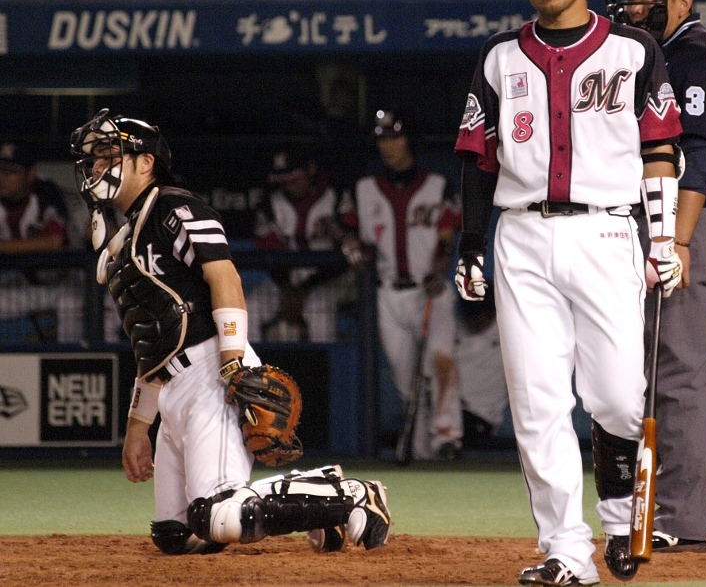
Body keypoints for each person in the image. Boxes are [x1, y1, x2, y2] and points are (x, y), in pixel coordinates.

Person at [454, 0, 684, 585]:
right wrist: (472, 243)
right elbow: (476, 158)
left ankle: (620, 517)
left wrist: (665, 238)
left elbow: (661, 150)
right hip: (521, 236)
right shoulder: (499, 55)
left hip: (608, 231)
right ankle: (565, 551)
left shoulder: (636, 49)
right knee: (537, 404)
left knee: (616, 396)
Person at [69, 109, 390, 555]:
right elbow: (152, 344)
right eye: (95, 160)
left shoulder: (171, 206)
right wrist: (138, 426)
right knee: (177, 536)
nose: (97, 168)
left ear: (144, 162)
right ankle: (321, 495)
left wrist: (233, 361)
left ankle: (351, 496)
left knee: (219, 515)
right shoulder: (128, 236)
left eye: (109, 156)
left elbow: (226, 278)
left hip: (210, 371)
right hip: (173, 388)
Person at [606, 0, 706, 554]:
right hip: (675, 224)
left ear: (681, 2)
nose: (630, 8)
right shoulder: (653, 56)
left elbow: (703, 157)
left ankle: (677, 518)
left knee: (673, 381)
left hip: (689, 222)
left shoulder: (689, 58)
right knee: (676, 377)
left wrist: (676, 240)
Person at [354, 110, 464, 460]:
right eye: (383, 139)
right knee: (405, 378)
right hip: (388, 293)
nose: (389, 145)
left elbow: (447, 236)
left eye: (395, 137)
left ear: (409, 140)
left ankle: (447, 438)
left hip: (429, 289)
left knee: (439, 361)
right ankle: (418, 447)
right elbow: (359, 239)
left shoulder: (437, 184)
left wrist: (439, 267)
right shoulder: (365, 189)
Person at [246, 147, 359, 342]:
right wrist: (286, 288)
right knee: (250, 309)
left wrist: (304, 289)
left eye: (295, 177)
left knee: (319, 309)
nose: (290, 185)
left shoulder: (337, 195)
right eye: (285, 180)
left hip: (333, 278)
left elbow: (350, 251)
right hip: (287, 281)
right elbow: (269, 255)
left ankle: (324, 371)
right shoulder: (269, 205)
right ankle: (251, 372)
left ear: (311, 169)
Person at [0, 140, 84, 342]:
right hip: (24, 287)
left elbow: (53, 242)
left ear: (30, 174)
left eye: (11, 172)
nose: (2, 179)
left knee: (70, 305)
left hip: (66, 284)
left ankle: (67, 365)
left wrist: (4, 248)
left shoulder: (46, 192)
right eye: (0, 171)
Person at [452, 285, 509, 448]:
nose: (474, 319)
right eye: (470, 313)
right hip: (451, 412)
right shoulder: (452, 327)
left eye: (479, 314)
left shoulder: (509, 332)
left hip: (482, 418)